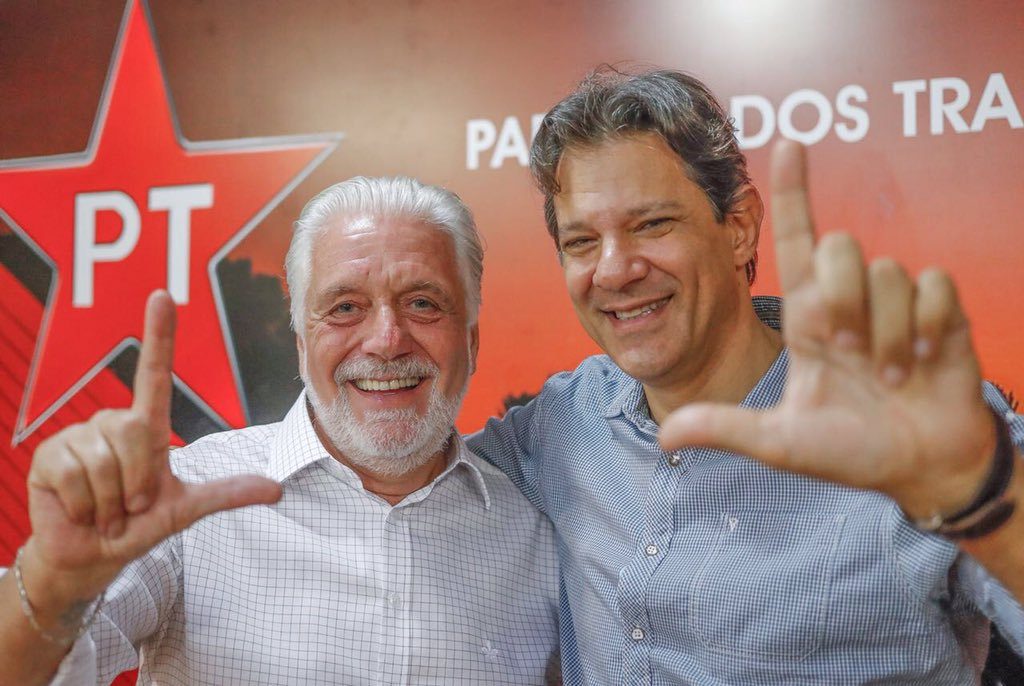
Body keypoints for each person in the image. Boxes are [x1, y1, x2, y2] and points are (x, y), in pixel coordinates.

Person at [468, 67, 1024, 684]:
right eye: (581, 242)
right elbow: (411, 478)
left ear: (739, 227)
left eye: (652, 224)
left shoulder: (910, 425)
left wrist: (981, 497)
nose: (615, 270)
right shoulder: (560, 423)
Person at [0, 177, 560, 685]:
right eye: (345, 307)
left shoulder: (537, 531)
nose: (387, 340)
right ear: (300, 342)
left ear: (472, 340)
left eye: (422, 303)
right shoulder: (184, 496)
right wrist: (50, 582)